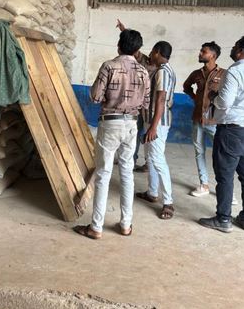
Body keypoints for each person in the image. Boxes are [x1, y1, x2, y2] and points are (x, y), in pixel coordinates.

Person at [73, 29, 150, 239]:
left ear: (119, 46)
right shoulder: (143, 72)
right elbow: (146, 103)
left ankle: (96, 227)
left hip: (110, 123)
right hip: (132, 124)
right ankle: (126, 224)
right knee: (127, 173)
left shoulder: (109, 66)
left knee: (103, 174)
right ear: (137, 49)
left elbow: (95, 97)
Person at [199, 36, 244, 233]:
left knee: (225, 175)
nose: (233, 47)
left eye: (236, 45)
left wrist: (214, 97)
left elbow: (224, 102)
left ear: (241, 51)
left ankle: (223, 219)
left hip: (232, 131)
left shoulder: (234, 72)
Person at [136, 41, 176, 220]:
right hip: (151, 120)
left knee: (158, 159)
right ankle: (152, 192)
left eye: (152, 52)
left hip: (157, 122)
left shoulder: (163, 72)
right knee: (151, 157)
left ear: (158, 52)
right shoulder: (166, 70)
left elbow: (161, 99)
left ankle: (168, 202)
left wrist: (153, 126)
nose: (150, 55)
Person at [183, 42, 226, 197]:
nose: (200, 53)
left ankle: (226, 189)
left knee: (222, 155)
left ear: (213, 56)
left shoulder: (224, 74)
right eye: (201, 51)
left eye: (204, 51)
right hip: (197, 119)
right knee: (199, 152)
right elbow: (186, 86)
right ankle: (204, 184)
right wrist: (195, 97)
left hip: (215, 122)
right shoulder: (197, 73)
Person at [116, 19, 156, 171]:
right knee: (135, 133)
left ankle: (148, 162)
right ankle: (131, 159)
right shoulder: (143, 61)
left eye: (154, 52)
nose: (150, 54)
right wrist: (124, 31)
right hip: (138, 105)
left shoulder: (158, 70)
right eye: (151, 52)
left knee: (149, 136)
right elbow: (132, 48)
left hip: (148, 106)